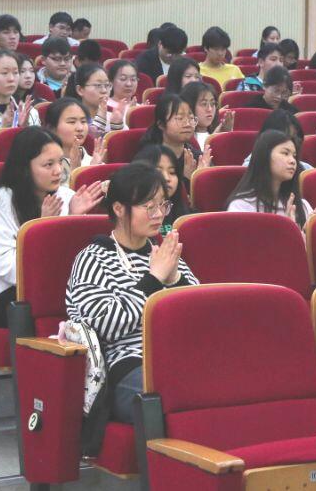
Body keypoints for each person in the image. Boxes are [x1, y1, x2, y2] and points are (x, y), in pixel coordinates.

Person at [64, 163, 197, 434]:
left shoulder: (162, 253)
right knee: (180, 394)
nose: (158, 214)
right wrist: (153, 280)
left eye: (163, 205)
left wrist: (174, 278)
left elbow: (199, 315)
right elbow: (105, 326)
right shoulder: (92, 259)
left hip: (178, 356)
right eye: (149, 207)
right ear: (119, 208)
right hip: (126, 365)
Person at [0, 127, 102, 326]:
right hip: (7, 290)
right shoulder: (1, 202)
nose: (58, 170)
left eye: (60, 161)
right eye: (48, 164)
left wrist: (75, 218)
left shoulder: (67, 197)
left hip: (59, 285)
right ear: (25, 168)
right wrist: (42, 229)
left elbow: (79, 259)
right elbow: (5, 265)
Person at [226, 130, 312, 227]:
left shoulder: (301, 206)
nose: (293, 161)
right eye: (285, 153)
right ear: (265, 156)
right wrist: (287, 230)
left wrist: (305, 233)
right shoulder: (241, 206)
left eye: (294, 156)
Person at [141, 93, 203, 181]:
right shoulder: (148, 159)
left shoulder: (198, 158)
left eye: (191, 118)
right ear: (161, 124)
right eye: (180, 118)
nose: (187, 124)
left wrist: (202, 177)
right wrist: (187, 179)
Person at [45, 98, 106, 184]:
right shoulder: (45, 165)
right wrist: (76, 172)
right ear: (52, 128)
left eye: (83, 121)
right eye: (72, 122)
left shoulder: (95, 162)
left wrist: (92, 170)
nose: (80, 128)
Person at [132, 143, 191, 228]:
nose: (166, 178)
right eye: (158, 172)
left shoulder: (186, 218)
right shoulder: (132, 216)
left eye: (172, 172)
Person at [65, 62, 112, 138]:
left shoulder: (112, 117)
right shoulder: (71, 119)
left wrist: (118, 124)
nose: (104, 90)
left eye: (107, 85)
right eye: (98, 85)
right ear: (80, 90)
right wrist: (100, 120)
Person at [181, 80, 230, 150]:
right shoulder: (182, 139)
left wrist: (226, 135)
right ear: (189, 106)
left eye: (213, 104)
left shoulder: (218, 132)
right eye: (204, 104)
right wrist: (213, 139)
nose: (209, 109)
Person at [104, 60, 140, 129]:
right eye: (123, 79)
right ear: (111, 82)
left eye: (133, 79)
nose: (129, 84)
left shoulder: (140, 108)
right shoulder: (104, 107)